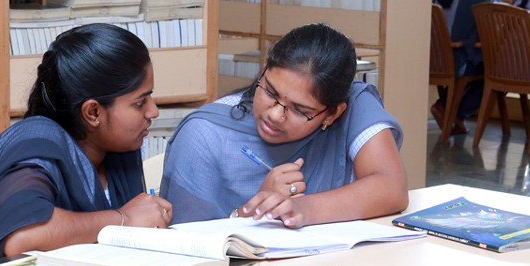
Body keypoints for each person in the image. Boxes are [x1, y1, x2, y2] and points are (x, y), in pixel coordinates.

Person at [0, 24, 171, 266]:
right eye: (139, 102)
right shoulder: (34, 143)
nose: (153, 111)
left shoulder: (119, 149)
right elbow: (22, 238)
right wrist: (124, 219)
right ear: (92, 112)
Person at [160, 23, 407, 228]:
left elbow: (391, 189)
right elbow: (185, 243)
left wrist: (302, 208)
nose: (276, 115)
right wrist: (255, 210)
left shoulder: (355, 106)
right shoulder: (205, 133)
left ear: (332, 114)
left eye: (300, 110)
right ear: (264, 68)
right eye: (269, 91)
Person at [432, 0, 500, 135]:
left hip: (434, 59)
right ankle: (449, 109)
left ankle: (453, 114)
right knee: (495, 74)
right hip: (457, 60)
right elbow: (495, 22)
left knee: (481, 67)